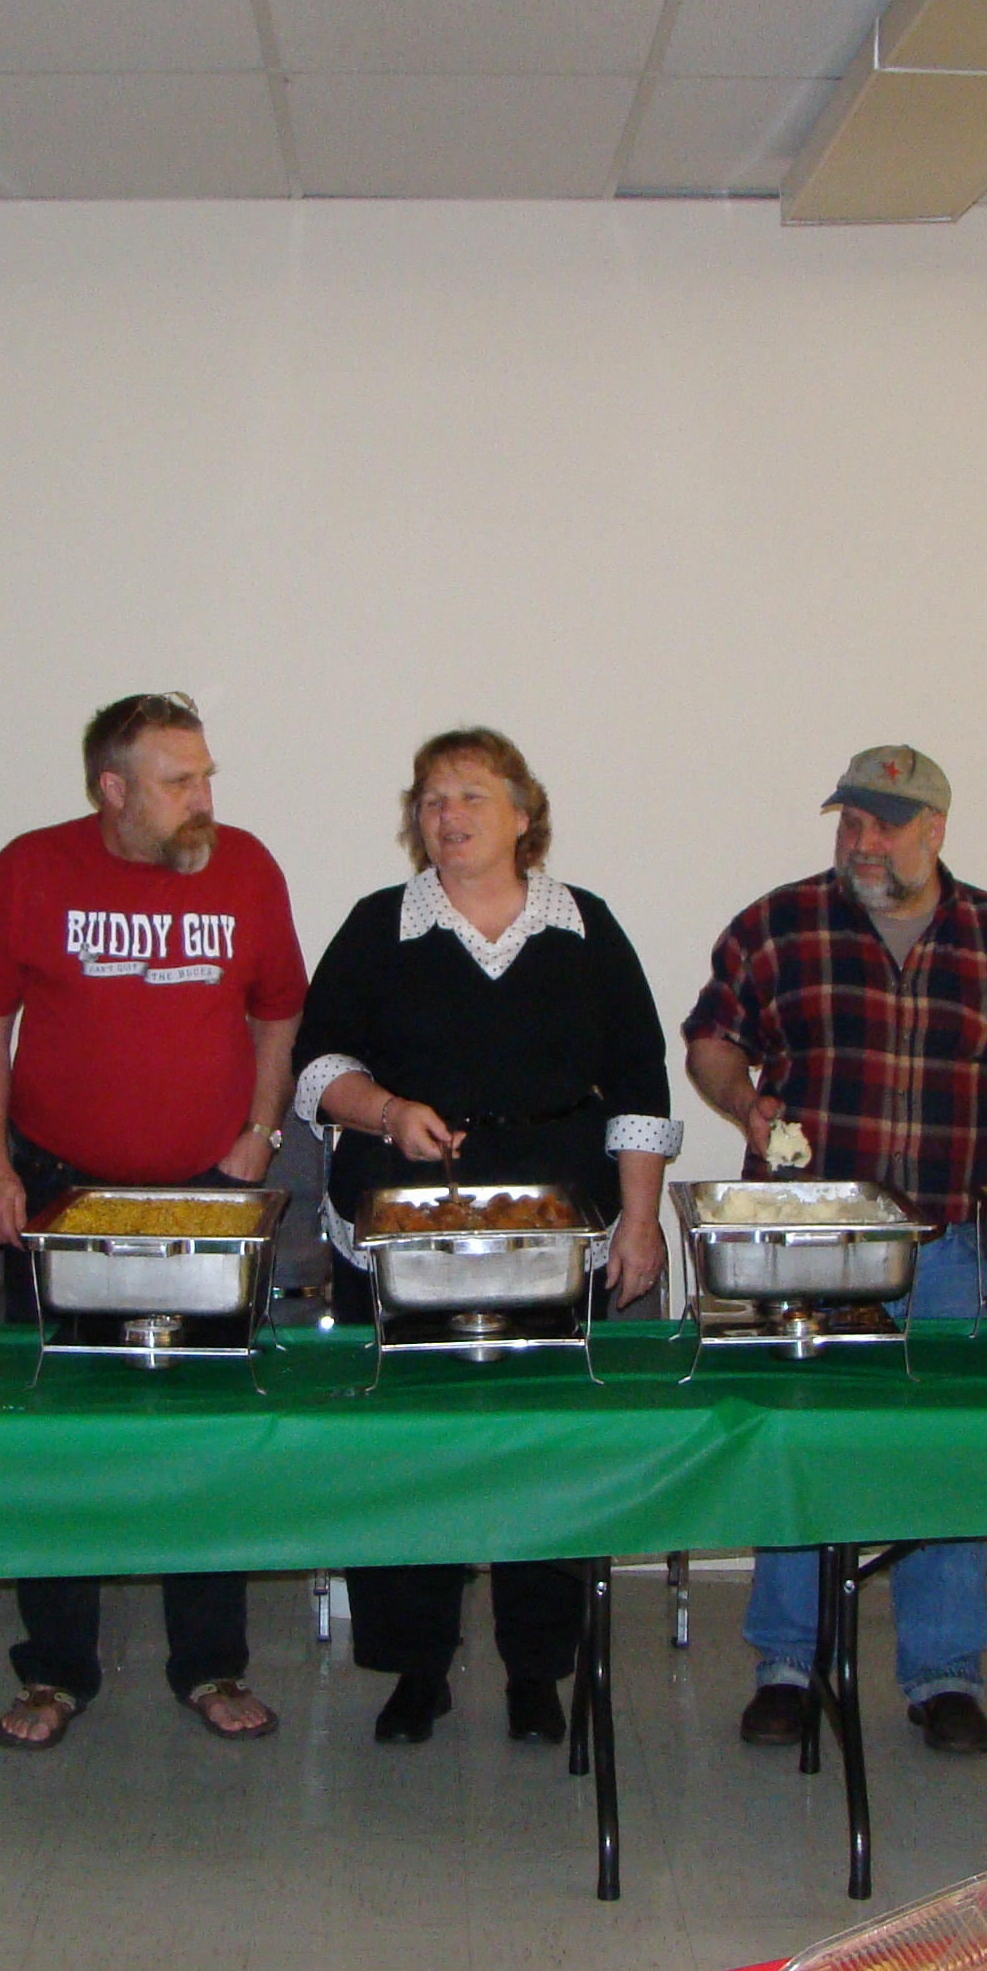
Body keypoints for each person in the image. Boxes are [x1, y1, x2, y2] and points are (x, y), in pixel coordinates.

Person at [684, 744, 987, 1757]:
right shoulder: (779, 925)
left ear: (935, 831)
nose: (862, 841)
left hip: (949, 1239)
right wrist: (741, 1099)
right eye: (850, 820)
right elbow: (711, 1041)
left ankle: (943, 1673)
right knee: (801, 1444)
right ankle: (788, 1660)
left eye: (885, 823)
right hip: (815, 1245)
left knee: (944, 1451)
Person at [292, 727, 678, 1744]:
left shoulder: (584, 926)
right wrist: (384, 1111)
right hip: (401, 1229)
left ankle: (536, 1670)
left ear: (522, 813)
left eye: (470, 796)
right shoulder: (382, 926)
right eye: (430, 800)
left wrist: (639, 1219)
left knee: (544, 1446)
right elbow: (314, 1067)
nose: (448, 816)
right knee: (406, 1446)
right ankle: (413, 1667)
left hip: (557, 1233)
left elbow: (640, 1087)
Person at [0, 693, 309, 1749]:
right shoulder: (28, 870)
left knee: (208, 1430)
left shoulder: (245, 868)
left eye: (206, 775)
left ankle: (209, 1663)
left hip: (206, 1189)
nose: (205, 798)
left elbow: (278, 1006)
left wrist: (260, 1128)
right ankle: (56, 1669)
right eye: (178, 781)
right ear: (113, 790)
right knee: (59, 1434)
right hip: (61, 1191)